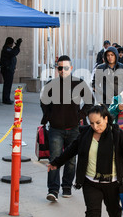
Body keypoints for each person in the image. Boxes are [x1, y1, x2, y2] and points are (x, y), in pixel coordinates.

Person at [47, 105, 123, 217]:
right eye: (91, 123)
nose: (95, 127)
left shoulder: (116, 134)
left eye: (98, 122)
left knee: (114, 211)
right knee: (92, 213)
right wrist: (56, 163)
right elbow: (71, 150)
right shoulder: (85, 134)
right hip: (91, 183)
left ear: (106, 119)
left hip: (112, 183)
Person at [40, 55, 94, 202]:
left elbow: (90, 101)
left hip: (74, 128)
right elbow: (43, 101)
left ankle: (66, 187)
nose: (62, 70)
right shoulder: (51, 84)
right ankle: (53, 190)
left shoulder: (79, 83)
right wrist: (48, 116)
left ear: (71, 68)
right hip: (55, 129)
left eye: (65, 67)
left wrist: (80, 115)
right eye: (59, 68)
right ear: (57, 69)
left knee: (71, 160)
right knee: (54, 159)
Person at [0, 37, 21, 104]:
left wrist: (16, 46)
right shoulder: (6, 49)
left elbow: (13, 52)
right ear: (10, 43)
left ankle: (6, 98)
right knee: (7, 85)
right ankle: (6, 99)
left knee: (7, 84)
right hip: (7, 70)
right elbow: (13, 53)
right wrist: (17, 46)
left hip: (8, 69)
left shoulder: (7, 49)